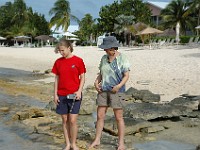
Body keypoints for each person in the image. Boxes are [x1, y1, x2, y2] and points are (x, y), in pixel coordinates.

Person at [89, 36, 130, 150]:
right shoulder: (103, 58)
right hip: (103, 91)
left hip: (117, 91)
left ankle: (121, 143)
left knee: (118, 117)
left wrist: (118, 86)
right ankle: (97, 140)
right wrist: (96, 82)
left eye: (106, 48)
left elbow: (126, 76)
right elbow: (101, 73)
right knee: (100, 116)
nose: (104, 50)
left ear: (113, 48)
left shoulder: (123, 58)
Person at [52, 39, 86, 150]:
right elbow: (56, 79)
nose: (61, 52)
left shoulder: (78, 61)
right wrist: (55, 95)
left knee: (72, 120)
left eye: (62, 50)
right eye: (59, 51)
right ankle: (67, 144)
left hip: (75, 95)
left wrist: (79, 91)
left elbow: (83, 77)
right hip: (61, 95)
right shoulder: (58, 62)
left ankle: (73, 144)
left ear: (69, 48)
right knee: (65, 120)